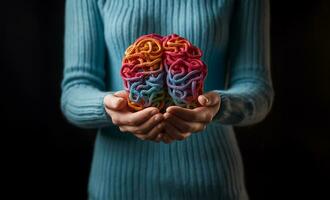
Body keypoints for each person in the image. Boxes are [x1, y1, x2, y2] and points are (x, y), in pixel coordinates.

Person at [61, 0, 274, 199]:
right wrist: (109, 107)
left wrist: (219, 105)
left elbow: (258, 89)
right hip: (116, 187)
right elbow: (75, 89)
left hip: (213, 184)